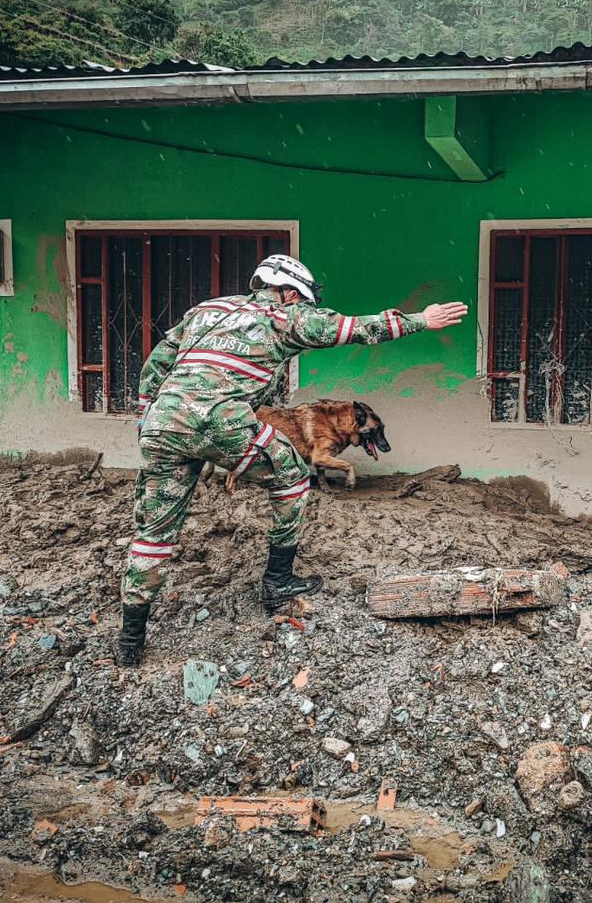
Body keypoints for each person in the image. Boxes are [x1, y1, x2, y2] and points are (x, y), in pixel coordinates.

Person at [116, 254, 468, 665]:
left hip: (162, 425)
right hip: (223, 420)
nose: (304, 307)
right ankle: (278, 582)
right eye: (302, 299)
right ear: (286, 292)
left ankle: (130, 641)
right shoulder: (285, 316)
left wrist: (147, 417)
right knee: (293, 476)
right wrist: (421, 320)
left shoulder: (205, 311)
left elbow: (156, 365)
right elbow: (353, 328)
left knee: (152, 535)